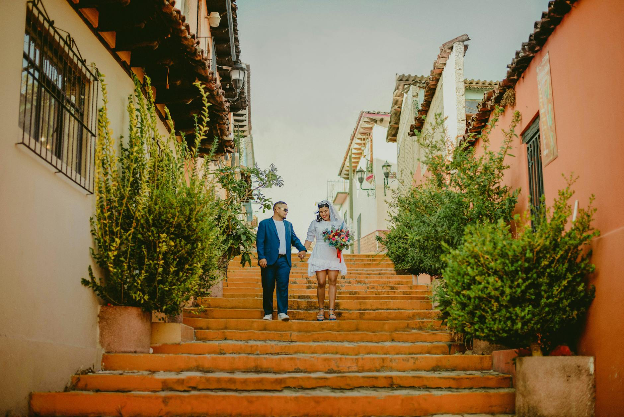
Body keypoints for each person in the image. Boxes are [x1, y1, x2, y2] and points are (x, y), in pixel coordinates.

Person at [256, 201, 307, 321]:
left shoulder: (288, 225)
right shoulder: (264, 224)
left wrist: (302, 249)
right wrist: (261, 257)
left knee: (283, 287)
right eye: (285, 210)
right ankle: (268, 313)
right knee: (268, 287)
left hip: (284, 260)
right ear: (276, 209)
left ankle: (282, 312)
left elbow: (294, 239)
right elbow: (260, 242)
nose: (287, 212)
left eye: (287, 210)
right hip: (268, 260)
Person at [304, 200, 348, 321]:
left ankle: (331, 311)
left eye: (325, 211)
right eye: (321, 211)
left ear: (330, 210)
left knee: (333, 281)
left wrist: (341, 242)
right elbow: (309, 239)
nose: (323, 213)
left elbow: (344, 237)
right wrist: (303, 250)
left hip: (333, 253)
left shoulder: (338, 223)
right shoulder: (315, 223)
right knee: (321, 282)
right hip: (320, 253)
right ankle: (321, 309)